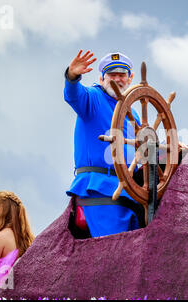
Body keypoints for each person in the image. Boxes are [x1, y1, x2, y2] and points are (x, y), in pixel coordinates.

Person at [64, 50, 144, 239]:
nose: (117, 79)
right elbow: (73, 95)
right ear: (101, 78)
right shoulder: (92, 99)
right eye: (111, 74)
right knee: (113, 256)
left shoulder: (134, 115)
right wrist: (72, 76)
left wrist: (175, 150)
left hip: (133, 193)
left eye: (121, 74)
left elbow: (147, 152)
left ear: (130, 78)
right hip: (100, 190)